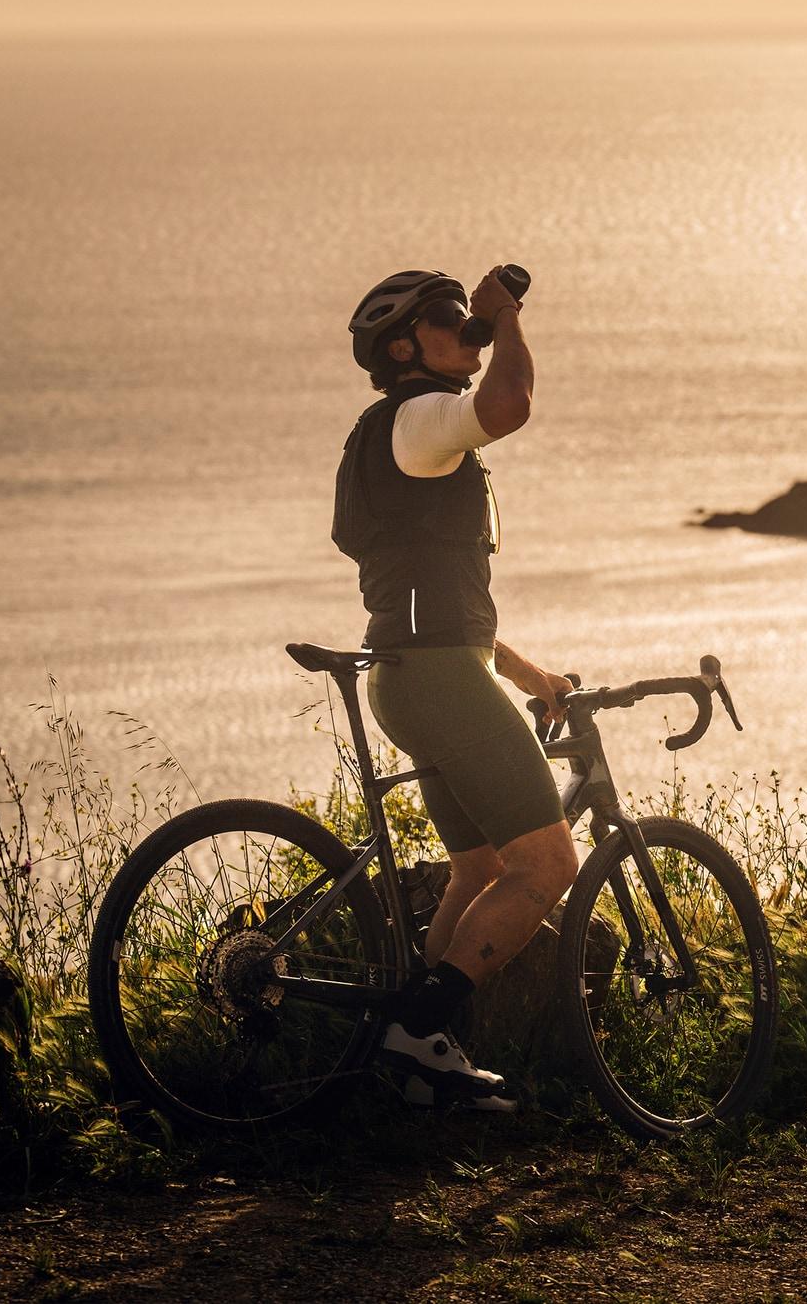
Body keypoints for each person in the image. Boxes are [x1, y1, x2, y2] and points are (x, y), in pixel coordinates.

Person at [334, 267, 583, 1112]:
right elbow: (509, 402)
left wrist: (525, 672)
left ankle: (417, 1061)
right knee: (547, 864)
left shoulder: (404, 434)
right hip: (437, 680)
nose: (466, 326)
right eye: (449, 317)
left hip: (414, 675)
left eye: (466, 313)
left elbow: (440, 607)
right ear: (405, 348)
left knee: (477, 868)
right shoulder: (422, 420)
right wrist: (505, 316)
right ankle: (416, 1029)